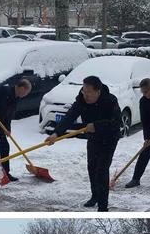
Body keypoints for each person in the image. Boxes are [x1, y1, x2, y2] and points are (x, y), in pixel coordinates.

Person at [46, 76, 121, 212]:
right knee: (92, 167)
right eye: (83, 91)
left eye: (88, 92)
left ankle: (103, 206)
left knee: (102, 170)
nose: (85, 95)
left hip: (109, 138)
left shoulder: (110, 101)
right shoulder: (81, 99)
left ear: (98, 91)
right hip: (93, 137)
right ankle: (95, 196)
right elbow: (70, 116)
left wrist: (97, 125)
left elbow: (116, 123)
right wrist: (56, 133)